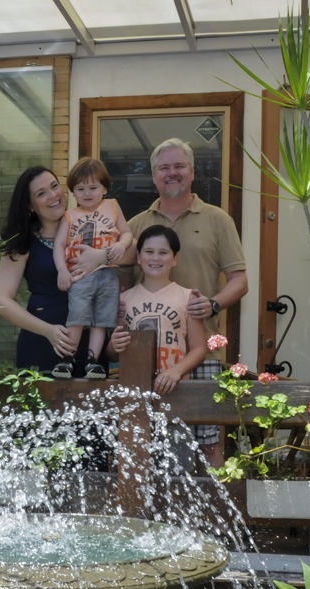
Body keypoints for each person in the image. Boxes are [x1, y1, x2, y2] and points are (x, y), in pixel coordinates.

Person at [104, 138, 248, 466]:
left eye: (179, 166)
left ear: (192, 172)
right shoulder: (136, 224)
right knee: (144, 442)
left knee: (209, 444)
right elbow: (118, 278)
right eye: (164, 168)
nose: (172, 173)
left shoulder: (218, 219)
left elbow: (240, 282)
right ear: (154, 175)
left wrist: (212, 304)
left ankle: (211, 515)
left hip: (203, 352)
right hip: (147, 359)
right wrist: (116, 315)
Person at [0, 165, 104, 375]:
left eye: (54, 186)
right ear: (30, 205)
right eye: (41, 193)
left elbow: (136, 252)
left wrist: (103, 255)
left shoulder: (92, 224)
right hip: (44, 344)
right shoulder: (23, 242)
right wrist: (48, 331)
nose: (53, 195)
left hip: (91, 346)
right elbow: (0, 302)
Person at [50, 157, 132, 380]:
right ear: (73, 193)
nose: (87, 193)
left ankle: (92, 361)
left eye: (93, 187)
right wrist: (62, 270)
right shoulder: (70, 215)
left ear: (104, 188)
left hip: (109, 273)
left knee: (102, 320)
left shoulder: (112, 206)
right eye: (80, 188)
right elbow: (59, 244)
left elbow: (126, 232)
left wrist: (122, 244)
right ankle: (67, 359)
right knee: (78, 316)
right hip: (80, 274)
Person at [108, 225, 207, 395]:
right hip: (133, 388)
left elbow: (199, 348)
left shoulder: (188, 297)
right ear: (138, 257)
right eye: (149, 252)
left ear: (175, 258)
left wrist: (176, 371)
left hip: (174, 386)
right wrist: (113, 345)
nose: (155, 258)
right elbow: (112, 354)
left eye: (163, 252)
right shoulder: (124, 299)